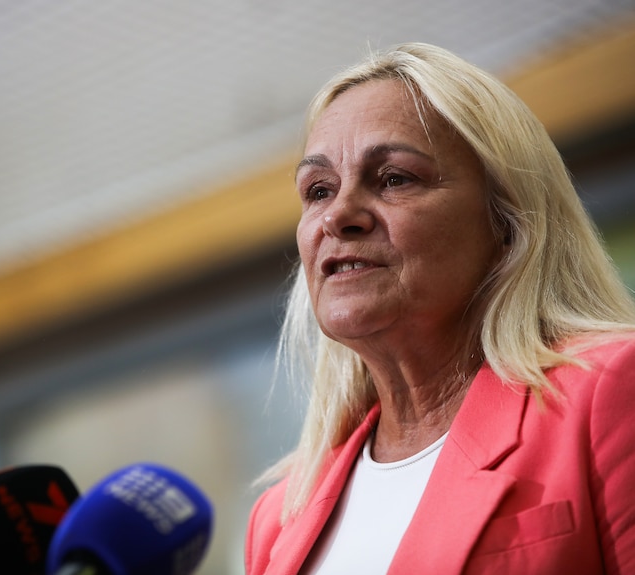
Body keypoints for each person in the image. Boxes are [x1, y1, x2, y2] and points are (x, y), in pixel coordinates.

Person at [244, 42, 635, 575]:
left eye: (394, 178)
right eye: (318, 190)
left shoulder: (609, 391)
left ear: (506, 222)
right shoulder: (277, 517)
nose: (339, 215)